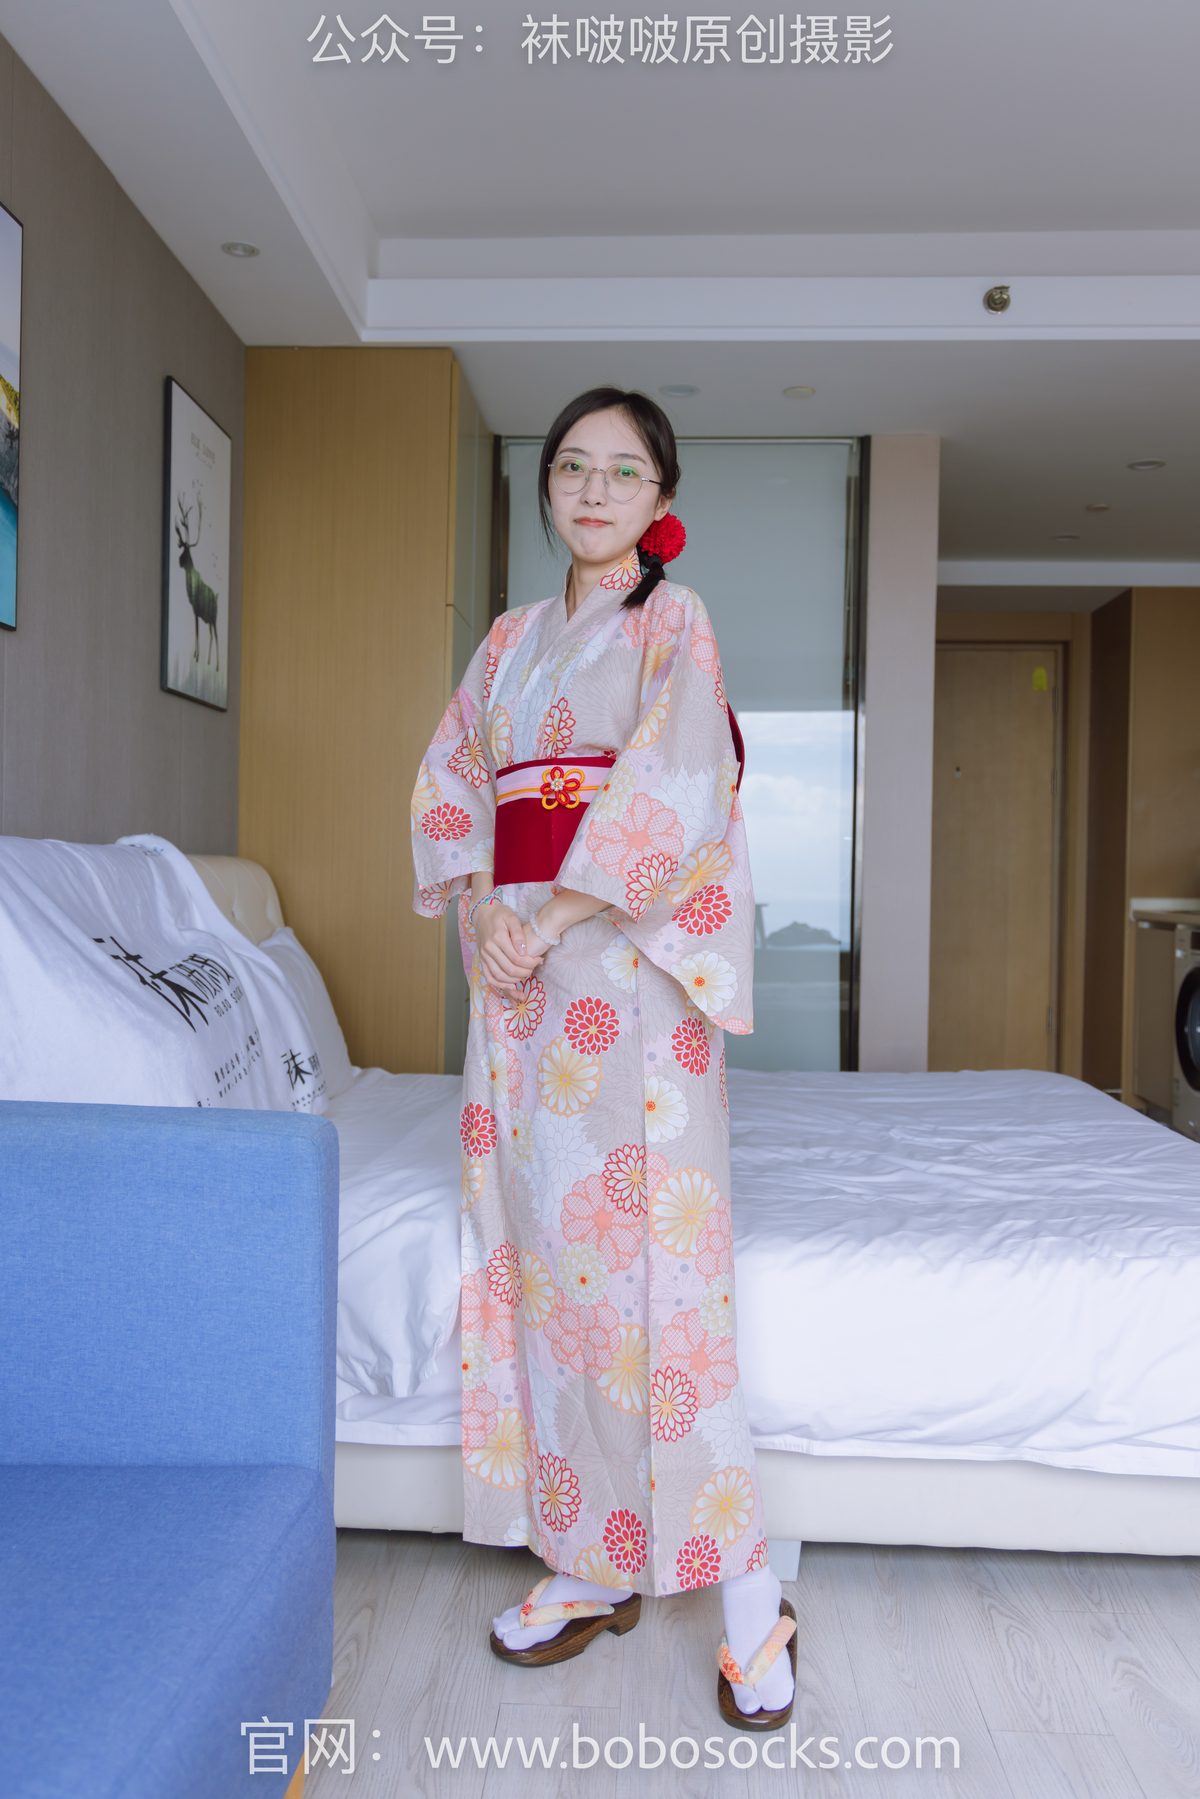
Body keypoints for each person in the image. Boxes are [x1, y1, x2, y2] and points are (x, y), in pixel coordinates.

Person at [410, 386, 796, 1728]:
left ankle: (747, 1594)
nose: (592, 488)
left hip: (623, 974)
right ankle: (590, 1558)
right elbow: (456, 783)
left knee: (662, 1287)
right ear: (549, 489)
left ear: (659, 498)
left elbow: (679, 788)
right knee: (553, 1276)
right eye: (572, 466)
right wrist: (482, 909)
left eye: (623, 471)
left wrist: (555, 911)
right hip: (516, 984)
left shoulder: (671, 623)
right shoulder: (509, 641)